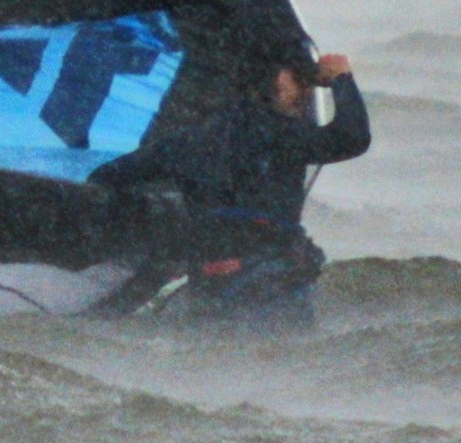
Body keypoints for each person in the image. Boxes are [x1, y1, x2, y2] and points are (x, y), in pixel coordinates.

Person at [117, 43, 369, 322]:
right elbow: (352, 137)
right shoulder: (283, 135)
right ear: (268, 81)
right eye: (297, 80)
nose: (306, 92)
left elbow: (108, 178)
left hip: (209, 282)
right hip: (269, 282)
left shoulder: (187, 141)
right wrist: (341, 79)